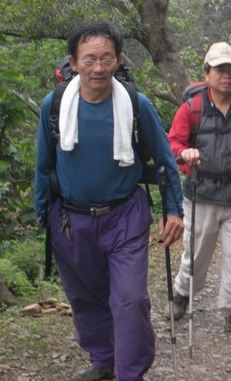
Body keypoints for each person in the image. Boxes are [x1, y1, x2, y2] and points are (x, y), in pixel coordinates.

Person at [34, 21, 184, 381]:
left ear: (117, 60)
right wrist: (45, 215)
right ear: (73, 62)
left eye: (106, 58)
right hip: (71, 220)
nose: (97, 68)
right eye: (88, 59)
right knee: (85, 297)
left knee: (129, 300)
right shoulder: (55, 106)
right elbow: (43, 165)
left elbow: (165, 162)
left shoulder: (136, 105)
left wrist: (174, 210)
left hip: (125, 215)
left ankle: (131, 371)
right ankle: (103, 359)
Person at [167, 42, 231, 338]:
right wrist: (184, 154)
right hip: (201, 193)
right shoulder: (191, 109)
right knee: (197, 254)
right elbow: (172, 144)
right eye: (220, 69)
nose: (226, 75)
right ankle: (182, 294)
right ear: (207, 73)